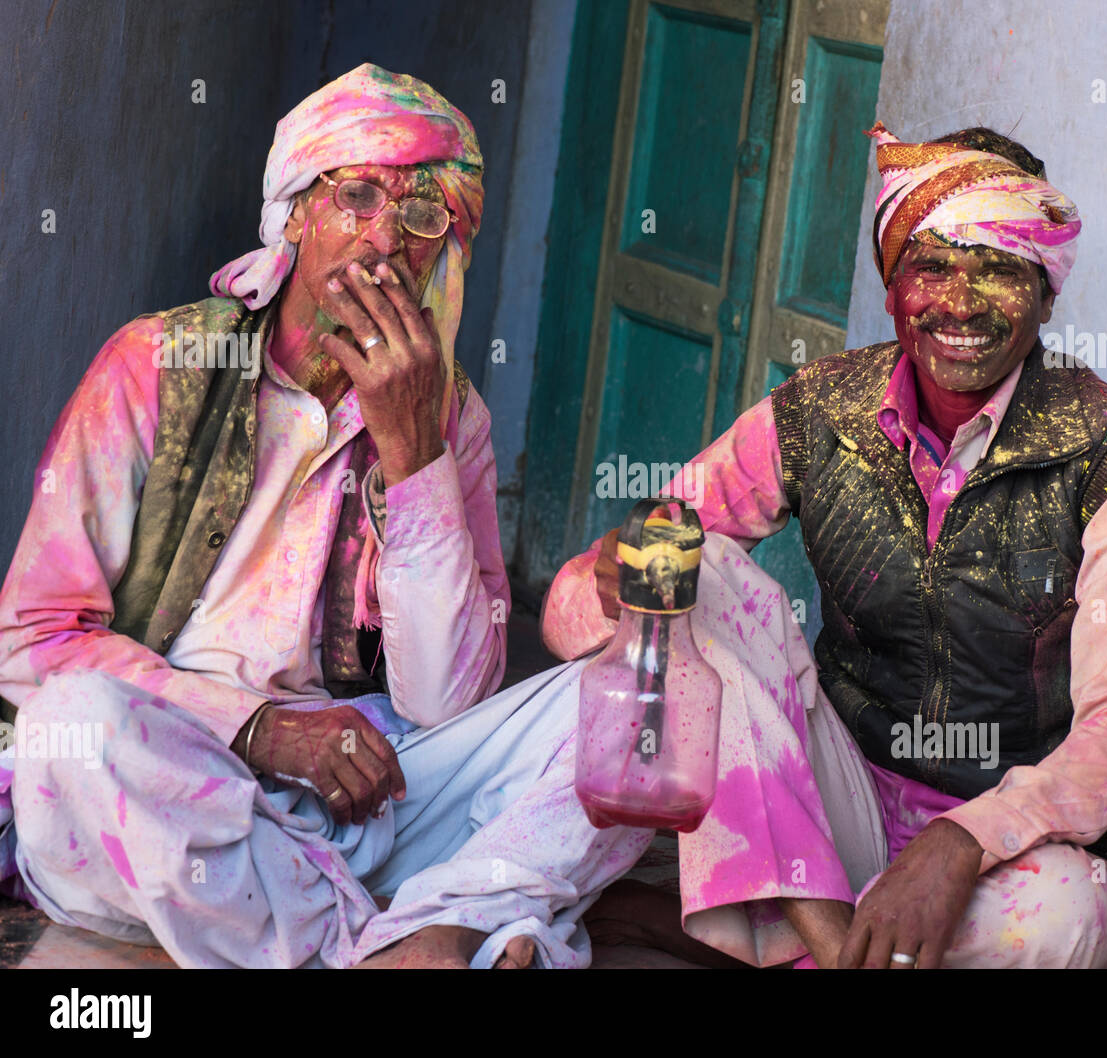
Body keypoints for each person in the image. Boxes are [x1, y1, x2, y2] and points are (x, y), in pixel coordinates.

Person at [0, 63, 652, 969]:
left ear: (443, 253)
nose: (385, 240)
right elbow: (32, 643)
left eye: (424, 216)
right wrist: (259, 729)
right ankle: (408, 933)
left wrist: (413, 453)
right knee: (70, 726)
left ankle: (364, 921)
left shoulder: (449, 416)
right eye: (356, 195)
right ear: (297, 212)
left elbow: (447, 702)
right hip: (175, 776)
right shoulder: (157, 364)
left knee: (635, 705)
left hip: (371, 795)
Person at [542, 124, 1107, 968]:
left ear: (1046, 291)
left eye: (997, 267)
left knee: (1067, 923)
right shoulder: (821, 409)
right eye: (932, 267)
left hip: (1003, 835)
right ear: (893, 285)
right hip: (830, 800)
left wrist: (963, 840)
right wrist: (614, 598)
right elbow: (588, 595)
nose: (960, 304)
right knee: (689, 570)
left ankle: (720, 933)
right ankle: (822, 937)